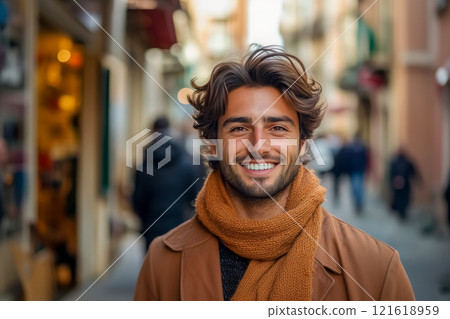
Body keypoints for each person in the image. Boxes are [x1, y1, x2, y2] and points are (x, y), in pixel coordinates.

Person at [134, 46, 414, 301]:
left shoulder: (376, 269)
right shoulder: (163, 262)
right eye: (239, 128)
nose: (258, 146)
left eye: (277, 128)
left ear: (302, 144)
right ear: (213, 145)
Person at [132, 117, 200, 250]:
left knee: (153, 267)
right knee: (175, 269)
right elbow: (194, 198)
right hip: (179, 228)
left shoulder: (144, 167)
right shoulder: (187, 165)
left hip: (151, 229)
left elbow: (137, 200)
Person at [389, 149, 419, 221]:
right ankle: (402, 212)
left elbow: (391, 174)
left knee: (399, 198)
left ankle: (401, 211)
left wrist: (391, 182)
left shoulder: (394, 162)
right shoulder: (407, 161)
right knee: (404, 198)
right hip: (405, 183)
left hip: (397, 184)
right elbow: (414, 172)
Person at [346, 133, 368, 214]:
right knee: (357, 188)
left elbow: (365, 160)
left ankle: (358, 204)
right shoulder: (357, 148)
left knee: (357, 188)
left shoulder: (360, 148)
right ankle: (358, 203)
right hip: (355, 171)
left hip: (358, 171)